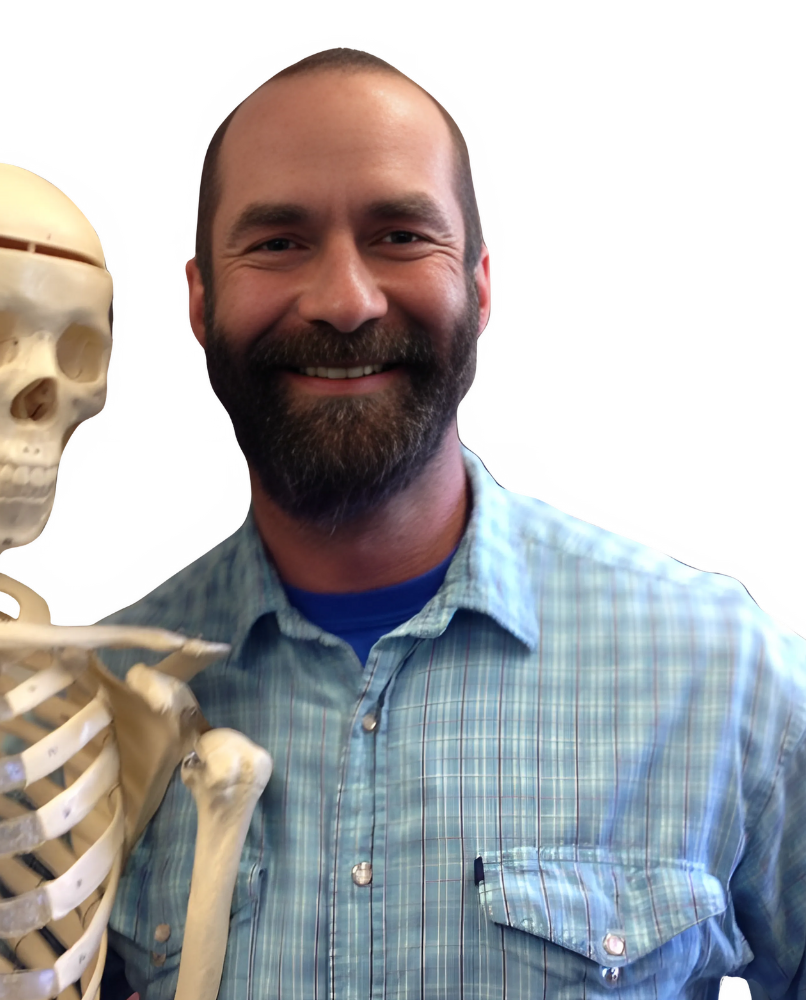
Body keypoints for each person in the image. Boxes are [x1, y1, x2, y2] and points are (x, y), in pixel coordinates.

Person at [96, 47, 805, 1000]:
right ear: (196, 299)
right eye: (277, 242)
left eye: (399, 235)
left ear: (479, 285)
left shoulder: (730, 672)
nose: (345, 301)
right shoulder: (91, 703)